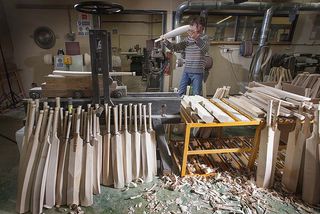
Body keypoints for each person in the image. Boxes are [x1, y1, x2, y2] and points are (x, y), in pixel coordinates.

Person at [163, 17, 209, 96]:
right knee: (180, 93)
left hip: (197, 72)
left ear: (202, 28)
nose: (196, 29)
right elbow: (176, 48)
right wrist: (165, 42)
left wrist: (196, 38)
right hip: (186, 71)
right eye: (194, 26)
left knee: (196, 95)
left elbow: (205, 49)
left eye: (198, 27)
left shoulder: (204, 38)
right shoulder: (187, 39)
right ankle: (180, 108)